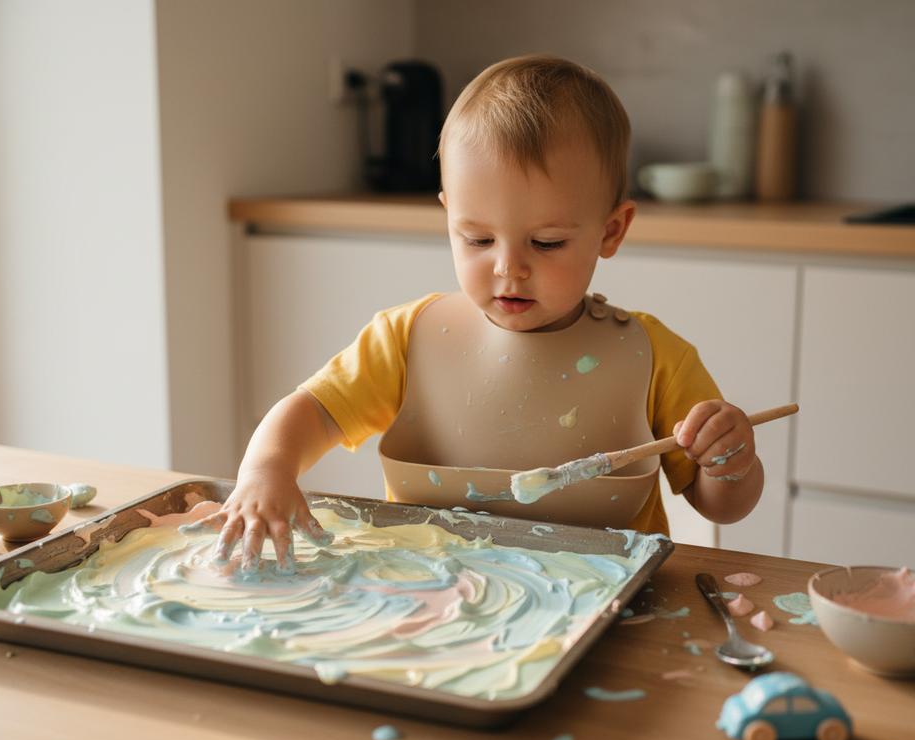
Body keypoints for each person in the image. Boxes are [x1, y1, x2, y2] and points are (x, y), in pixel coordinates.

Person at [202, 54, 764, 573]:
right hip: (434, 597)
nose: (508, 268)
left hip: (602, 613)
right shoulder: (406, 339)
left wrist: (728, 462)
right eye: (476, 239)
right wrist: (265, 470)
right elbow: (313, 412)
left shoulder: (654, 356)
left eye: (545, 243)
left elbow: (723, 507)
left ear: (610, 230)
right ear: (448, 215)